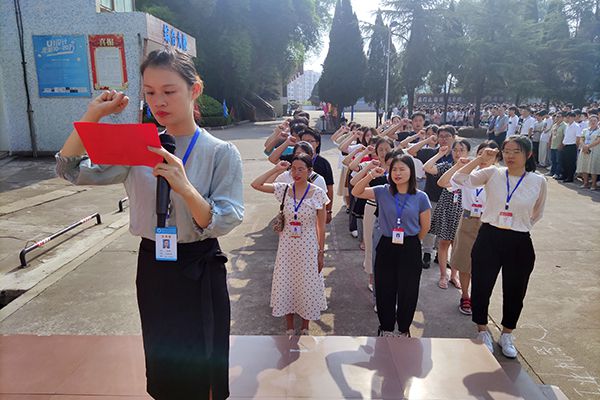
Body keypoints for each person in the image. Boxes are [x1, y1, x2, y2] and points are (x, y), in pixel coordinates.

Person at [56, 48, 244, 399]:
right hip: (154, 266)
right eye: (150, 92)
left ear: (194, 89)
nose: (159, 101)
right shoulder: (138, 146)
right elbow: (70, 170)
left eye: (169, 91)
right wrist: (93, 115)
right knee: (163, 364)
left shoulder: (221, 152)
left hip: (200, 267)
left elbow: (224, 219)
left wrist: (185, 187)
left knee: (204, 363)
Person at [453, 136, 547, 358]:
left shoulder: (538, 181)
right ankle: (482, 330)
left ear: (528, 154)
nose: (510, 156)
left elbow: (538, 212)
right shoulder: (493, 173)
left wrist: (520, 225)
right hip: (490, 236)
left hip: (519, 240)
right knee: (482, 285)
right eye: (506, 151)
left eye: (516, 151)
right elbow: (459, 178)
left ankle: (507, 333)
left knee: (515, 289)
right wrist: (479, 160)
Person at [352, 154, 431, 337]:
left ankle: (403, 329)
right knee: (384, 288)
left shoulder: (421, 197)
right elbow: (356, 191)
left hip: (410, 246)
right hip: (387, 245)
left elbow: (425, 226)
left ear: (411, 172)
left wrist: (412, 241)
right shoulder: (382, 191)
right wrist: (371, 174)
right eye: (394, 169)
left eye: (402, 169)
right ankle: (386, 328)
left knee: (408, 290)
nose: (397, 173)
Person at [251, 155, 329, 335]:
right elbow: (256, 184)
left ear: (309, 171)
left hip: (308, 246)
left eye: (301, 169)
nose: (296, 173)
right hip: (287, 247)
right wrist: (276, 169)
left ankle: (305, 326)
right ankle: (289, 326)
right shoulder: (284, 189)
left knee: (307, 283)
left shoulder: (318, 193)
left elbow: (321, 226)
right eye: (293, 168)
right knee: (286, 282)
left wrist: (321, 252)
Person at [442, 141, 500, 315]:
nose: (485, 158)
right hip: (468, 220)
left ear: (496, 158)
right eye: (481, 154)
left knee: (484, 264)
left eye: (489, 155)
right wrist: (463, 165)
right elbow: (444, 182)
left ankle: (478, 297)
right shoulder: (469, 175)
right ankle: (465, 296)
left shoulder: (500, 176)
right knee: (465, 262)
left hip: (489, 221)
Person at [423, 139, 471, 289]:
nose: (458, 153)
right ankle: (443, 275)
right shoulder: (447, 166)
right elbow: (427, 167)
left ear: (468, 152)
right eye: (455, 150)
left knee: (457, 245)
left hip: (463, 210)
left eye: (462, 150)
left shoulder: (472, 170)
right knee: (443, 242)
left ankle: (454, 276)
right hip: (446, 207)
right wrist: (439, 154)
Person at [408, 125, 456, 269]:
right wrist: (427, 140)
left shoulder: (457, 155)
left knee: (445, 227)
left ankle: (439, 255)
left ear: (454, 138)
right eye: (441, 136)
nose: (444, 139)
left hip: (450, 199)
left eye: (447, 136)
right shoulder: (431, 152)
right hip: (432, 195)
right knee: (429, 226)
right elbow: (411, 151)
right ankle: (427, 253)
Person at [576, 114, 600, 188]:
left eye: (594, 120)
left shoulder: (599, 130)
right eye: (591, 120)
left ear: (598, 121)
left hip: (594, 150)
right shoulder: (585, 130)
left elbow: (598, 140)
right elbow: (581, 139)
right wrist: (584, 146)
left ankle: (593, 184)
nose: (593, 122)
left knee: (593, 167)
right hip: (584, 150)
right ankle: (585, 183)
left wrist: (588, 146)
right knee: (584, 166)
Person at [561, 111, 581, 183]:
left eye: (569, 117)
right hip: (565, 145)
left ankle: (570, 177)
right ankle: (564, 175)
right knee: (564, 161)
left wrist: (576, 147)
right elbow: (566, 136)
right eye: (567, 117)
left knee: (571, 163)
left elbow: (578, 138)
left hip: (572, 146)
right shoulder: (567, 126)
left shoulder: (576, 126)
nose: (567, 118)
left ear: (573, 117)